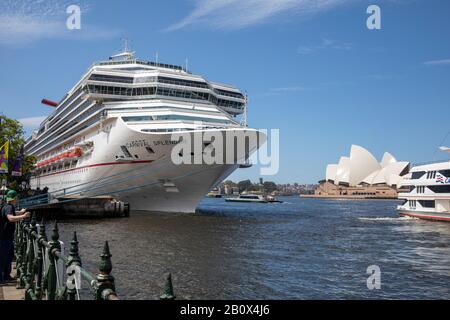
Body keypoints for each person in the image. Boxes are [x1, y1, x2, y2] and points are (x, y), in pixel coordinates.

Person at [0, 190, 30, 284]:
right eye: (16, 198)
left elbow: (12, 214)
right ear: (14, 199)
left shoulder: (7, 206)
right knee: (3, 258)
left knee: (8, 257)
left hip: (7, 237)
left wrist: (20, 212)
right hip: (4, 238)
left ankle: (6, 276)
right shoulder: (9, 207)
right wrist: (24, 216)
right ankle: (1, 279)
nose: (17, 199)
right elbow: (10, 218)